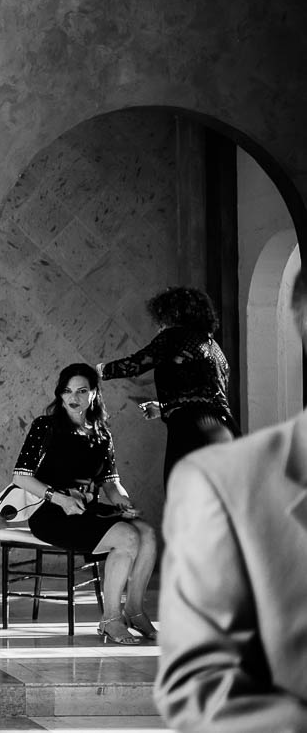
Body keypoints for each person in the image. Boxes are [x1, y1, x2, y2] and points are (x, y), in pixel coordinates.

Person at [154, 270, 307, 729]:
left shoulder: (182, 342)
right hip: (213, 433)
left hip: (198, 435)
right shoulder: (210, 348)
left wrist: (98, 371)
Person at [9, 362, 158, 645]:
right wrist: (61, 499)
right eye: (67, 391)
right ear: (60, 394)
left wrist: (123, 502)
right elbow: (21, 478)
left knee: (148, 533)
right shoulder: (46, 426)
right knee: (127, 537)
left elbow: (111, 483)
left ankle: (135, 611)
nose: (73, 397)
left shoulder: (102, 433)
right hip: (51, 512)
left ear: (93, 394)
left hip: (86, 510)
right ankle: (110, 620)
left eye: (81, 390)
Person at [98, 286, 237, 484]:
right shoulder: (215, 348)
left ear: (175, 314)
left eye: (162, 317)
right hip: (227, 431)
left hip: (194, 432)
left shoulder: (175, 336)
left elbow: (137, 364)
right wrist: (163, 407)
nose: (159, 325)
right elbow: (206, 396)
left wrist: (99, 371)